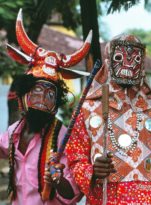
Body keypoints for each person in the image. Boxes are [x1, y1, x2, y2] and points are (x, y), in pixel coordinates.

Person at [65, 34, 151, 204]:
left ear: (142, 63)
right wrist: (92, 171)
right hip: (104, 198)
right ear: (109, 60)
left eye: (135, 58)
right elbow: (75, 158)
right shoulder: (87, 109)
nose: (128, 63)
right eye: (120, 57)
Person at [0, 9, 89, 204]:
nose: (43, 99)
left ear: (56, 104)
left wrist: (58, 181)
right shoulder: (14, 131)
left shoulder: (63, 137)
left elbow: (72, 195)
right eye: (37, 91)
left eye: (50, 94)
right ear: (25, 95)